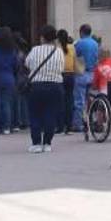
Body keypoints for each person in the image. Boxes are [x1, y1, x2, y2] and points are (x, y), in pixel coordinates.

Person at [24, 24, 65, 153]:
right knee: (51, 114)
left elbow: (27, 64)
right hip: (55, 86)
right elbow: (61, 68)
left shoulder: (35, 50)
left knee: (35, 114)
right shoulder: (58, 51)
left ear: (42, 37)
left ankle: (36, 143)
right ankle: (47, 143)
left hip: (37, 86)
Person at [72, 24, 100, 131]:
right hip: (92, 74)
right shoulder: (95, 44)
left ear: (81, 32)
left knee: (79, 101)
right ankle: (91, 121)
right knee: (91, 100)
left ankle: (78, 124)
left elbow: (76, 56)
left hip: (81, 74)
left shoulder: (79, 43)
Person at [56, 29, 76, 133]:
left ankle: (60, 126)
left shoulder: (57, 49)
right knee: (69, 101)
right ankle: (69, 125)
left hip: (60, 75)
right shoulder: (72, 48)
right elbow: (75, 61)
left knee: (60, 101)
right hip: (71, 75)